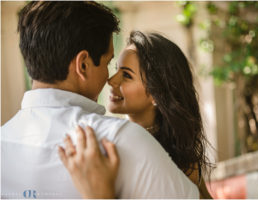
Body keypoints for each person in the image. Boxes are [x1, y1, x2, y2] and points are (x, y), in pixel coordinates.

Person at [1, 1, 199, 199]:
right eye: (109, 63)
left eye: (127, 75)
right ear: (83, 65)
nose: (111, 79)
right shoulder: (120, 140)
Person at [59, 31, 213, 198]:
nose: (112, 80)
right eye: (116, 69)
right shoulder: (109, 138)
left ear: (157, 94)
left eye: (126, 75)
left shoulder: (181, 158)